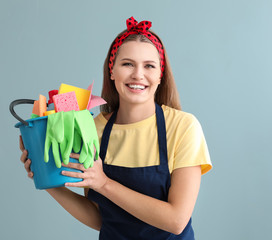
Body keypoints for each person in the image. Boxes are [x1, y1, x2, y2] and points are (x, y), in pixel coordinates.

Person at [19, 16, 212, 239]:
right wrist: (47, 181)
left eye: (149, 66)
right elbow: (100, 218)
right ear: (112, 71)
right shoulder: (92, 128)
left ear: (160, 75)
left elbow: (176, 221)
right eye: (127, 64)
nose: (138, 74)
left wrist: (103, 183)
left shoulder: (183, 127)